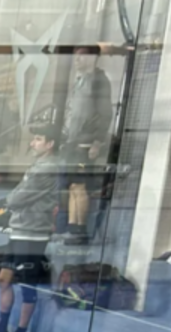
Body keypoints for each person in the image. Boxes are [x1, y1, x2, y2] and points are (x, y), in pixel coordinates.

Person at [0, 124, 62, 332]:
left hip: (33, 233)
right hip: (20, 229)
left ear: (50, 144)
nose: (32, 143)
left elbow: (18, 197)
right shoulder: (39, 164)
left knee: (27, 285)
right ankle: (2, 327)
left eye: (38, 139)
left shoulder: (47, 168)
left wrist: (5, 204)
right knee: (3, 278)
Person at [60, 44, 112, 246]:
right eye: (75, 56)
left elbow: (105, 113)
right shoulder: (79, 80)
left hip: (85, 142)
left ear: (92, 58)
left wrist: (96, 142)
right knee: (73, 186)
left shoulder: (99, 81)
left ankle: (80, 229)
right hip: (72, 141)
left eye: (81, 56)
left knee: (80, 187)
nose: (77, 60)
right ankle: (72, 227)